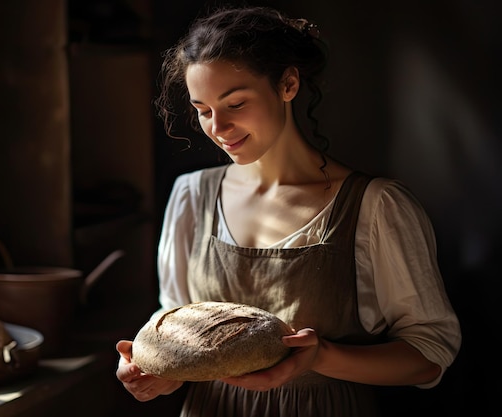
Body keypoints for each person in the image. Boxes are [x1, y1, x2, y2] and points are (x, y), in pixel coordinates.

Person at [115, 5, 461, 416]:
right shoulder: (192, 196)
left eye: (236, 104)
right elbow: (175, 324)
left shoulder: (376, 207)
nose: (218, 128)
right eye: (203, 110)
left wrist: (320, 357)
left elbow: (430, 354)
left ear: (288, 84)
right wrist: (159, 373)